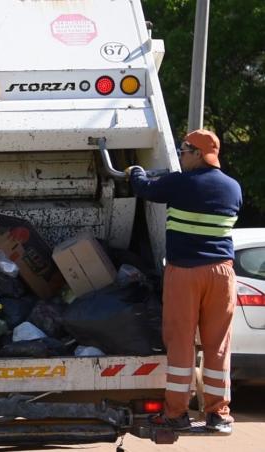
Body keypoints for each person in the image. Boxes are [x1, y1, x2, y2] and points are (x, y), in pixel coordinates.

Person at [125, 129, 241, 434]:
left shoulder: (179, 183)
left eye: (184, 150)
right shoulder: (233, 188)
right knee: (218, 346)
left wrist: (135, 170)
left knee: (180, 343)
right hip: (222, 275)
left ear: (198, 154)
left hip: (185, 273)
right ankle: (219, 414)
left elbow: (144, 189)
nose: (180, 155)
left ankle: (176, 413)